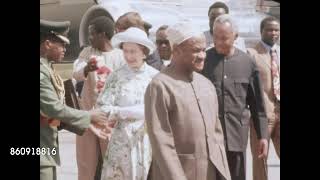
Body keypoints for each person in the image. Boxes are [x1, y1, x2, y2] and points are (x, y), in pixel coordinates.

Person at [145, 22, 231, 180]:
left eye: (204, 50)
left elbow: (216, 135)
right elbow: (161, 141)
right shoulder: (160, 86)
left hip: (209, 173)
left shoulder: (206, 84)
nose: (203, 56)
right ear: (176, 50)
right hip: (178, 173)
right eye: (196, 50)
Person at [40, 19, 109, 180]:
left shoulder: (46, 68)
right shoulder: (41, 73)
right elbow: (54, 109)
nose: (65, 49)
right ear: (48, 44)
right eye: (62, 44)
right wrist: (89, 116)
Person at [201, 15, 268, 180]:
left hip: (236, 135)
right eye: (216, 37)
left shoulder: (247, 63)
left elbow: (257, 104)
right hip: (209, 136)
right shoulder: (203, 61)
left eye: (224, 38)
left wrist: (263, 136)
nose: (219, 42)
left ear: (235, 37)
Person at [96, 27, 159, 180]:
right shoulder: (116, 76)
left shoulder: (155, 77)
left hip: (146, 141)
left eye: (133, 51)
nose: (128, 56)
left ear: (143, 52)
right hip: (121, 141)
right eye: (126, 51)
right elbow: (101, 108)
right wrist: (124, 112)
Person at [73, 16, 126, 180]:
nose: (89, 38)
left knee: (112, 165)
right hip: (88, 118)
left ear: (102, 34)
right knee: (86, 164)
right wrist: (87, 68)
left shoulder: (121, 56)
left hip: (110, 121)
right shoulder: (87, 52)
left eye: (92, 34)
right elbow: (75, 73)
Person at [247, 16, 280, 180]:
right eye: (269, 29)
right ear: (261, 31)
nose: (273, 33)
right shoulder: (252, 54)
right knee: (260, 160)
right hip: (262, 115)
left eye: (276, 30)